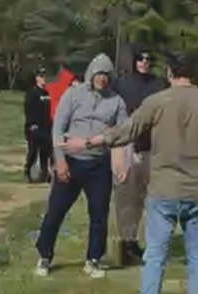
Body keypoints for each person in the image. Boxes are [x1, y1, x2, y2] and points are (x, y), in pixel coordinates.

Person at [63, 51, 198, 294]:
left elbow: (125, 131)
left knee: (156, 255)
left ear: (170, 73)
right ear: (196, 74)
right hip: (197, 191)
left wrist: (87, 143)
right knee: (197, 257)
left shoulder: (157, 102)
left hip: (164, 191)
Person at [35, 53, 128, 279]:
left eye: (106, 75)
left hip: (99, 164)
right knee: (56, 211)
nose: (102, 79)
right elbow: (58, 128)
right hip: (71, 161)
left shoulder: (117, 101)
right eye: (99, 74)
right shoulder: (73, 94)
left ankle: (93, 259)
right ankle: (45, 256)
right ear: (91, 74)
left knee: (99, 214)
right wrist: (60, 161)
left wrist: (122, 164)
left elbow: (122, 134)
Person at [113, 48, 168, 266]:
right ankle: (127, 241)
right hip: (127, 147)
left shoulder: (159, 85)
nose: (144, 62)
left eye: (148, 58)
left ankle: (148, 242)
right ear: (134, 61)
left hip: (153, 148)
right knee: (127, 198)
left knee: (151, 199)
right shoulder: (122, 83)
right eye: (140, 58)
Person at [23, 67, 52, 183]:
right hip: (34, 127)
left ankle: (44, 174)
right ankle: (27, 171)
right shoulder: (32, 93)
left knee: (45, 152)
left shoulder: (48, 92)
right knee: (33, 153)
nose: (44, 79)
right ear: (37, 78)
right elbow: (28, 109)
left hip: (46, 127)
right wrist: (31, 124)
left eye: (45, 76)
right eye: (41, 76)